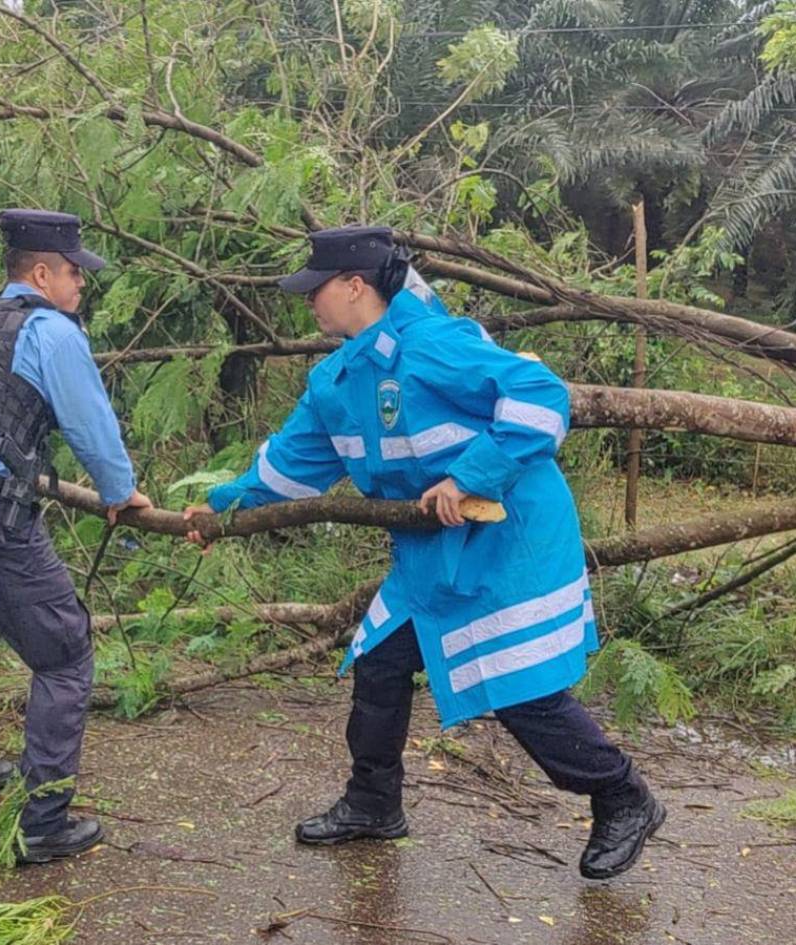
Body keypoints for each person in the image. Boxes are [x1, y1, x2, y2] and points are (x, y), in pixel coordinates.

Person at [183, 225, 664, 880]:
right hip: (430, 557)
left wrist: (470, 474)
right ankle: (374, 803)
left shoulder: (436, 344)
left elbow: (542, 396)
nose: (308, 303)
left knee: (519, 687)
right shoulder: (336, 380)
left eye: (315, 290)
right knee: (379, 662)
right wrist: (221, 509)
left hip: (508, 541)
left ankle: (622, 793)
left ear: (355, 287)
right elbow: (291, 470)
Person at [0, 209, 152, 864]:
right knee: (66, 653)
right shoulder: (52, 331)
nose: (81, 285)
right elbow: (89, 424)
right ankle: (41, 821)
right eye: (75, 272)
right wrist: (119, 491)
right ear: (42, 272)